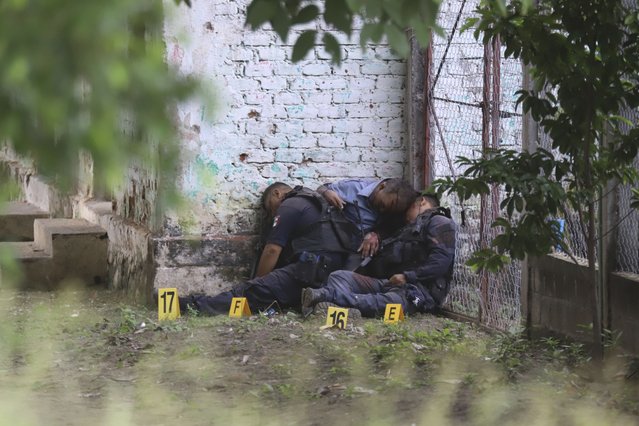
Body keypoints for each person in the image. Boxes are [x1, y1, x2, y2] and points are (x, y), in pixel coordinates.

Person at [174, 182, 359, 315]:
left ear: (277, 193)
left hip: (312, 270)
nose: (271, 214)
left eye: (269, 208)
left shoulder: (289, 205)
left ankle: (187, 305)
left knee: (248, 294)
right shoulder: (314, 200)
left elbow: (272, 251)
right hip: (334, 275)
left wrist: (256, 284)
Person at [301, 193, 456, 318]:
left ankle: (327, 297)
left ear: (422, 202)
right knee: (340, 276)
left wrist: (407, 277)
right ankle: (347, 310)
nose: (405, 216)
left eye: (408, 209)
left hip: (418, 292)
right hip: (392, 283)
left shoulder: (439, 221)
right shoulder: (410, 229)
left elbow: (441, 261)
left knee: (388, 302)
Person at [317, 178, 416, 259]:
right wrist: (325, 192)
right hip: (334, 239)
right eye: (382, 205)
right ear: (382, 187)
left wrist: (377, 235)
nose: (381, 211)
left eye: (387, 211)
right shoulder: (352, 187)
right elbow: (319, 191)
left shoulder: (395, 209)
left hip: (360, 254)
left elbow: (392, 228)